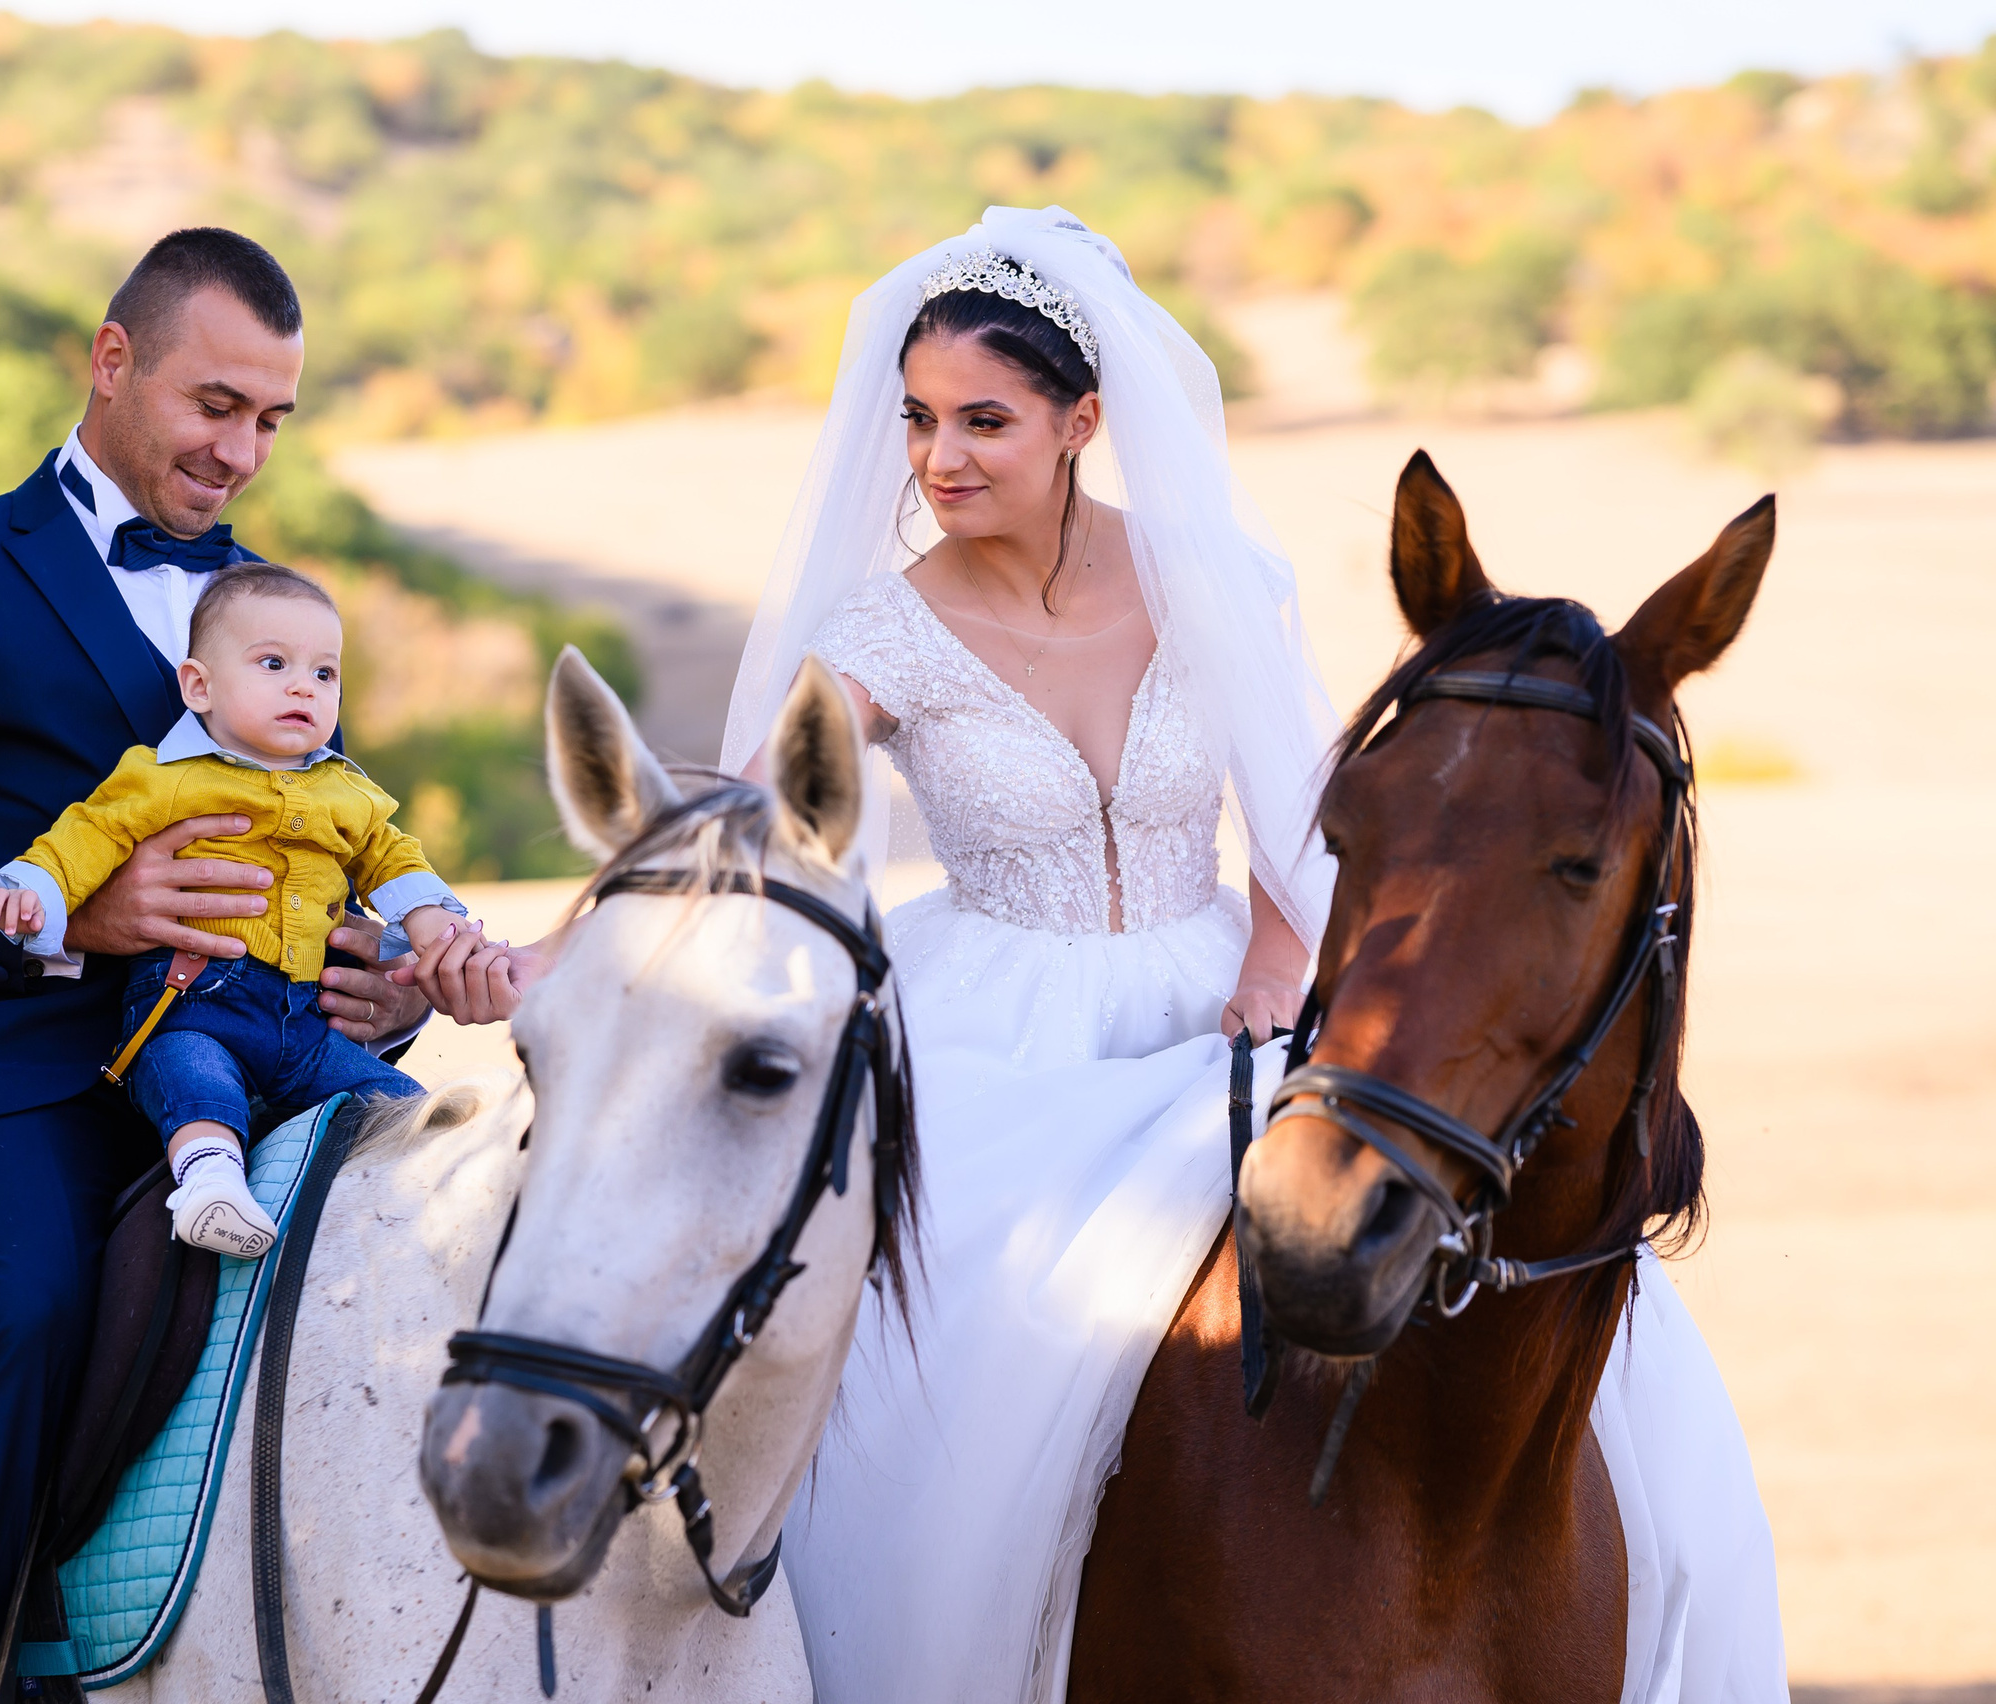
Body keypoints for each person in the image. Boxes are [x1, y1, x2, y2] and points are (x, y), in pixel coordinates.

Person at [410, 208, 1782, 1703]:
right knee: (950, 1371)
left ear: (1084, 420)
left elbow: (1307, 801)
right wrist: (549, 953)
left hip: (1221, 1003)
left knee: (1580, 1327)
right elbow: (748, 826)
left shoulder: (1206, 578)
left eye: (985, 421)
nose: (941, 460)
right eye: (921, 421)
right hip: (997, 1032)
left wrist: (1275, 956)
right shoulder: (890, 625)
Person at [0, 227, 430, 1702]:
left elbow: (340, 850)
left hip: (252, 1066)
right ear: (112, 362)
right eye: (214, 406)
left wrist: (375, 975)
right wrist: (81, 918)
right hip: (2, 1074)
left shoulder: (279, 614)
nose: (242, 451)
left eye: (272, 419)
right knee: (27, 1311)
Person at [0, 561, 466, 1258]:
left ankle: (454, 1204)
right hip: (194, 1000)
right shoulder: (165, 778)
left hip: (302, 1025)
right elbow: (87, 836)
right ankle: (210, 1190)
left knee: (404, 1107)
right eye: (275, 664)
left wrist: (432, 925)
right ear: (199, 685)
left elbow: (395, 860)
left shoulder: (347, 792)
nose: (305, 685)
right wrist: (35, 891)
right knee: (193, 1083)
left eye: (325, 674)